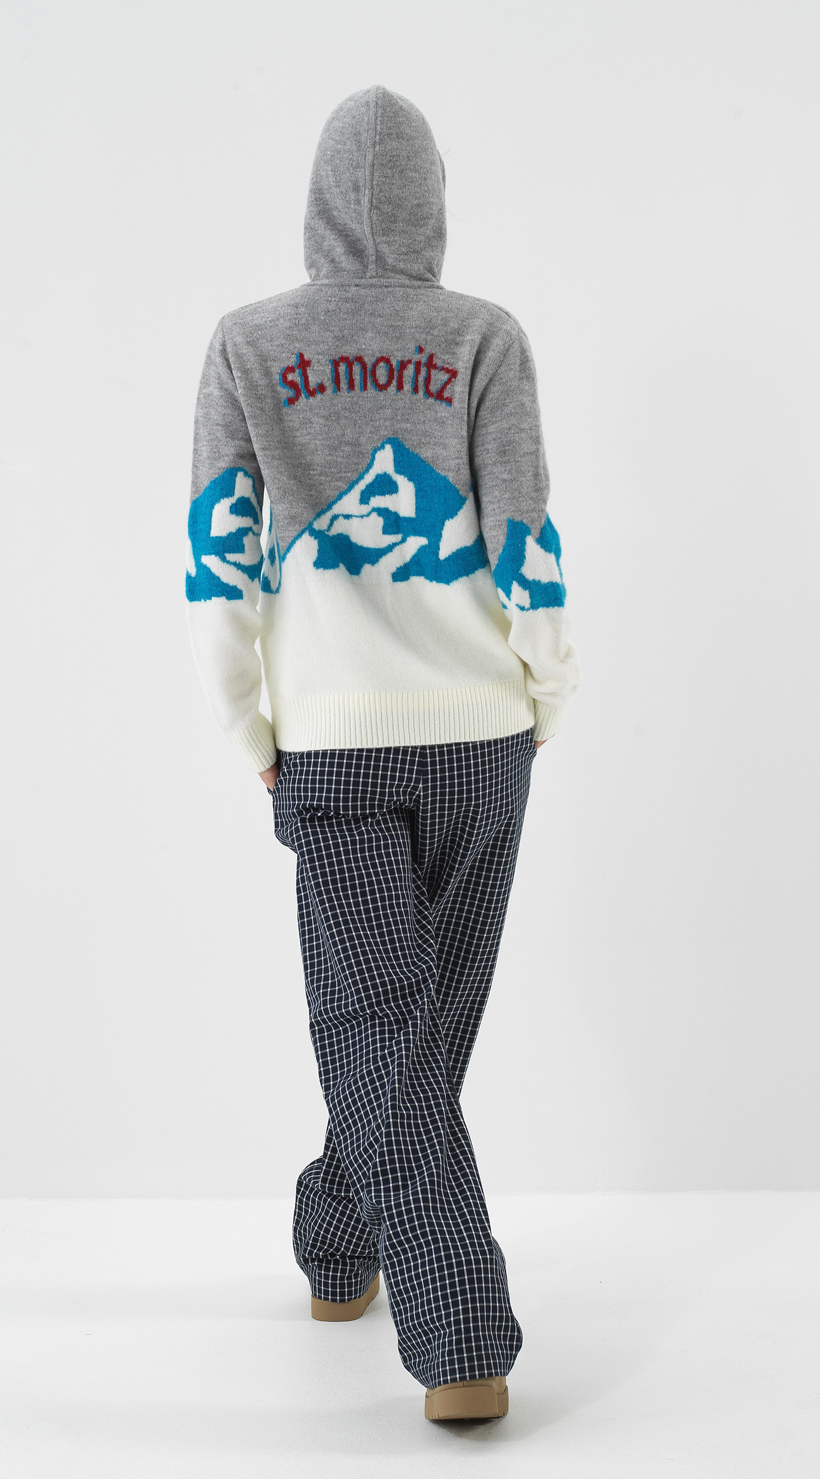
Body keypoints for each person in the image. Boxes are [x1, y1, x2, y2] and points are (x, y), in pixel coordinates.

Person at [185, 86, 580, 1422]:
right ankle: (454, 1327)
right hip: (482, 738)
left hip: (335, 748)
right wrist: (545, 695)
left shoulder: (247, 343)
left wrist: (249, 725)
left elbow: (216, 558)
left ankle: (343, 1238)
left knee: (392, 1028)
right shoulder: (482, 337)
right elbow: (528, 536)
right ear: (433, 206)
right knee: (409, 1026)